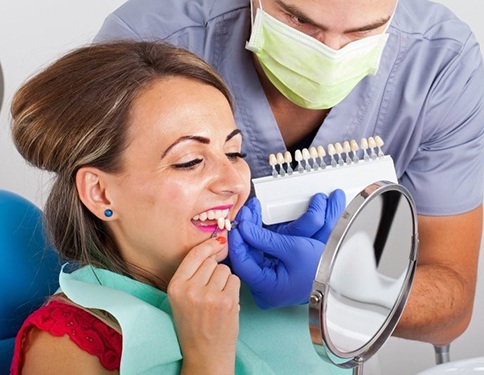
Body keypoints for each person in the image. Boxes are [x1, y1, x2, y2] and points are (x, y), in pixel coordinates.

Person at [95, 0, 484, 346]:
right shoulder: (150, 41)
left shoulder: (440, 63)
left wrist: (340, 285)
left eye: (363, 31)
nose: (331, 53)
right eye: (299, 20)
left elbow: (451, 306)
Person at [10, 40, 346, 374]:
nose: (233, 182)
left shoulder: (261, 285)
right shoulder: (65, 348)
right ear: (100, 193)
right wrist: (206, 356)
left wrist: (334, 297)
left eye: (233, 153)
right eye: (190, 161)